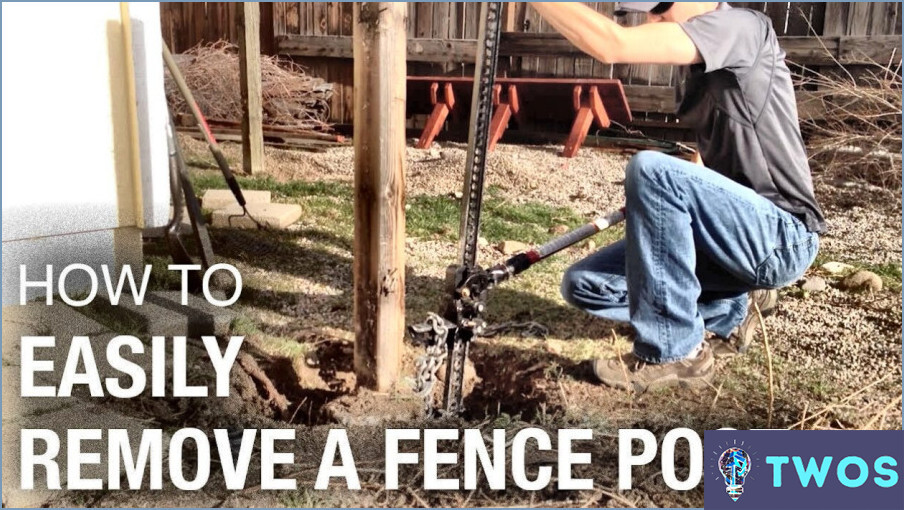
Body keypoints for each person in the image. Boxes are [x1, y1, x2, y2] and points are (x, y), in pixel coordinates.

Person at [528, 2, 825, 391]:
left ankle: (675, 352)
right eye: (642, 12)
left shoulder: (741, 27)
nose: (652, 19)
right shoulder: (696, 69)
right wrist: (661, 208)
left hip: (781, 235)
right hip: (727, 238)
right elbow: (711, 156)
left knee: (651, 169)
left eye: (659, 5)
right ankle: (727, 312)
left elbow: (612, 44)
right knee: (584, 283)